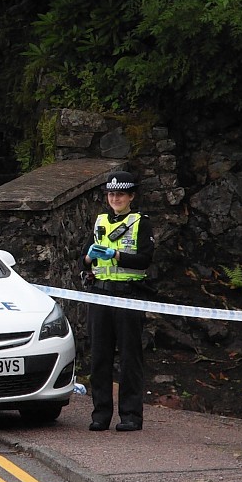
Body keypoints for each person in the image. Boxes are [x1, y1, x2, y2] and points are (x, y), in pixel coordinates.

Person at [83, 170, 154, 432]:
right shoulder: (100, 220)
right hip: (100, 293)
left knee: (129, 356)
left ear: (131, 196)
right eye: (111, 194)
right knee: (99, 356)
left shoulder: (140, 223)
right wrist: (90, 258)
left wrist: (116, 255)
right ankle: (100, 414)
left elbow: (145, 259)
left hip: (129, 295)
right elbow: (84, 258)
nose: (115, 198)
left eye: (120, 194)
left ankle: (131, 416)